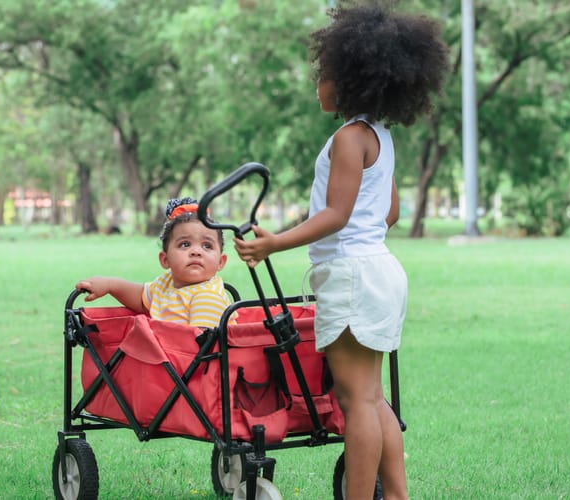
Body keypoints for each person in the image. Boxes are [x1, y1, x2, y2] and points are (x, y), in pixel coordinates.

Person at [234, 4, 448, 499]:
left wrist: (272, 244)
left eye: (325, 75)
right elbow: (387, 212)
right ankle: (395, 495)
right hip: (379, 270)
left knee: (356, 403)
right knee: (373, 399)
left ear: (353, 79)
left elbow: (337, 215)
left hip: (352, 275)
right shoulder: (381, 136)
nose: (318, 84)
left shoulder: (350, 137)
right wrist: (358, 238)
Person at [76, 197, 235, 329]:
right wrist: (110, 285)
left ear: (221, 262)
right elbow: (140, 299)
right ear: (165, 260)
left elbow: (199, 351)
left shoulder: (207, 297)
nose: (196, 251)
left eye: (207, 246)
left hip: (188, 365)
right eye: (185, 244)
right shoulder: (166, 284)